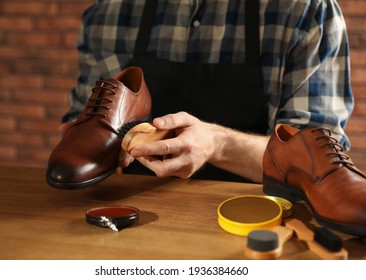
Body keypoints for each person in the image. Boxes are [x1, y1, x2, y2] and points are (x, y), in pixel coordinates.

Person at [61, 0, 353, 183]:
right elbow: (80, 128)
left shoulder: (307, 12)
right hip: (135, 218)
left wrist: (217, 144)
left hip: (255, 225)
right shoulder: (107, 13)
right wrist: (104, 143)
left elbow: (317, 164)